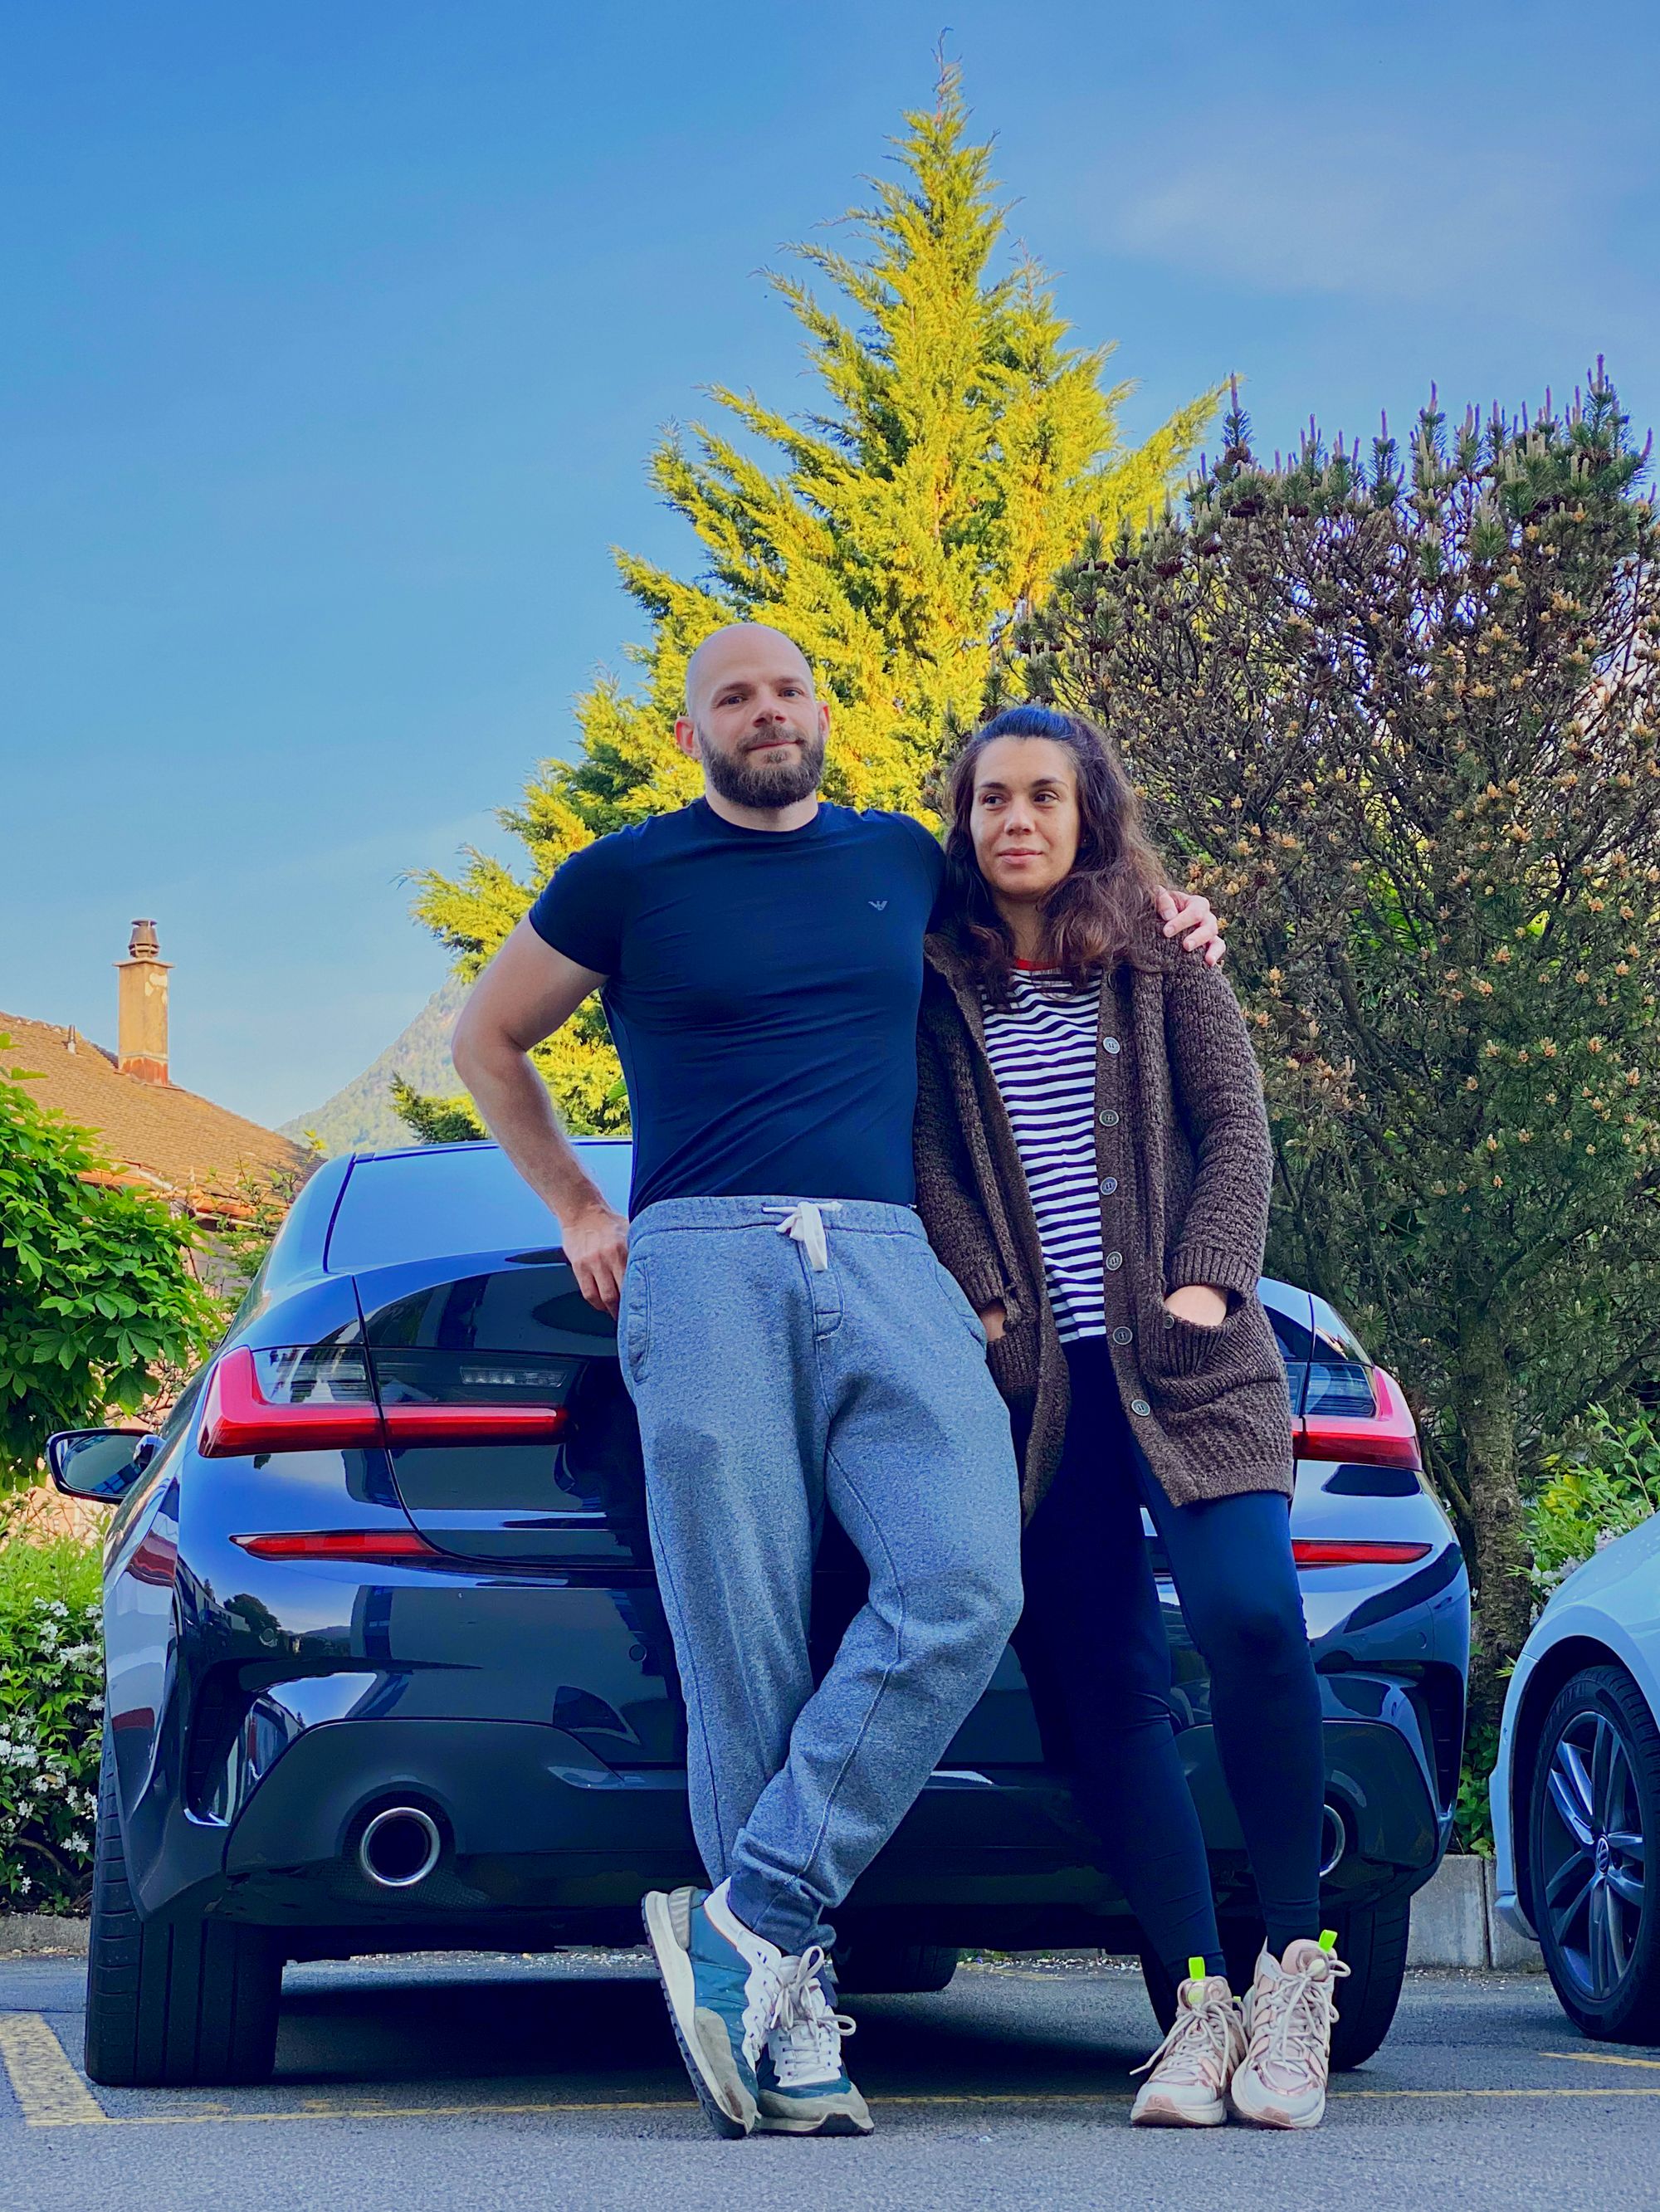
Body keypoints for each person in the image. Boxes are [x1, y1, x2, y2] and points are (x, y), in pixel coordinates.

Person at [451, 627, 1223, 2141]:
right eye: (734, 697)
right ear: (693, 736)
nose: (767, 712)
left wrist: (1166, 916)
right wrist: (577, 1206)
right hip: (703, 1255)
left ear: (823, 715)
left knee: (960, 1574)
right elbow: (488, 1038)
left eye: (788, 690)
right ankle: (787, 2014)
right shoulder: (626, 877)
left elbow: (1045, 878)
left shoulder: (893, 860)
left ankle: (748, 1912)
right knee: (742, 1627)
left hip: (885, 1256)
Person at [913, 703, 1347, 2132]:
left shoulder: (1161, 953)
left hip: (1192, 1365)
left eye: (1046, 795)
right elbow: (935, 1164)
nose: (1019, 819)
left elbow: (1238, 1125)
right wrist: (986, 1305)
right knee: (1105, 1684)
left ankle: (1295, 1972)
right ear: (965, 821)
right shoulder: (939, 981)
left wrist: (1213, 1288)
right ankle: (1193, 2007)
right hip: (1041, 1399)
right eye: (992, 800)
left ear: (1091, 810)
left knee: (1252, 1623)